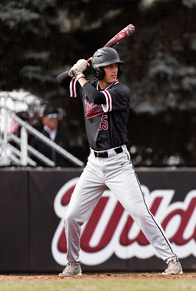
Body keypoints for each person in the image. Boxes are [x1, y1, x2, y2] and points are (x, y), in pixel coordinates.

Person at [56, 47, 182, 276]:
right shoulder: (89, 85)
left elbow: (94, 98)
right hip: (94, 165)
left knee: (141, 213)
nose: (115, 70)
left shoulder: (120, 91)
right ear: (98, 71)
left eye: (116, 66)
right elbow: (61, 80)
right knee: (72, 216)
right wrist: (76, 68)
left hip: (118, 164)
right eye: (109, 66)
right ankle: (73, 264)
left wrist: (81, 74)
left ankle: (172, 260)